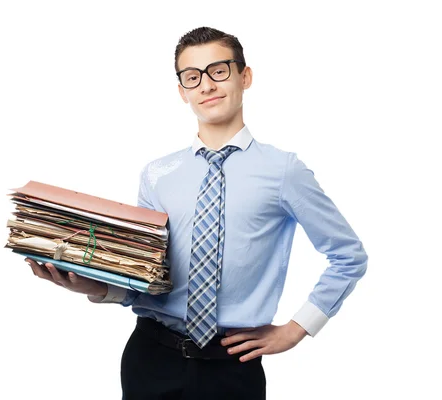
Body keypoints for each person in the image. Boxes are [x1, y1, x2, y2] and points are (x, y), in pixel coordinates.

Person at [26, 26, 368, 400]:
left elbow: (348, 256)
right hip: (150, 357)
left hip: (232, 366)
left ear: (245, 76)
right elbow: (149, 279)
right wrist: (96, 286)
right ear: (182, 91)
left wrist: (298, 327)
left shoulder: (283, 171)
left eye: (218, 71)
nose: (206, 85)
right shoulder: (158, 175)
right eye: (192, 77)